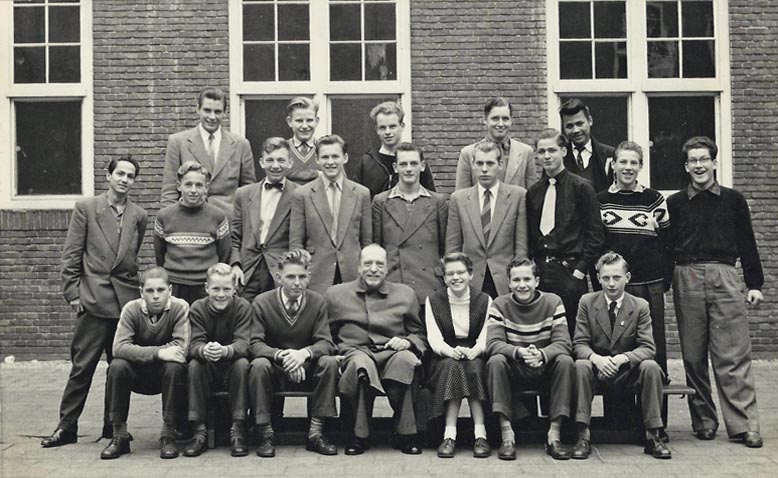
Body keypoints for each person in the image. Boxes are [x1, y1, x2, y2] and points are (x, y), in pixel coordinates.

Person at [42, 155, 147, 448]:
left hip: (124, 303)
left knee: (119, 367)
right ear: (108, 176)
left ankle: (114, 426)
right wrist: (73, 294)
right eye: (120, 174)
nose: (125, 180)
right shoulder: (87, 208)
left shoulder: (139, 215)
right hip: (93, 298)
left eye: (130, 176)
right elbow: (72, 254)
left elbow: (130, 257)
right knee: (82, 366)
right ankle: (67, 426)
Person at [667, 136, 764, 448]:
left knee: (732, 354)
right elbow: (667, 247)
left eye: (704, 159)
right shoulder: (675, 203)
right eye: (693, 160)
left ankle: (744, 425)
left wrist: (755, 284)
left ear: (713, 162)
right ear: (686, 166)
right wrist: (665, 282)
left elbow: (747, 242)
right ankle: (704, 421)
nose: (699, 165)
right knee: (693, 356)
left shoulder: (734, 200)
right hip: (687, 276)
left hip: (725, 275)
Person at [325, 244, 427, 455]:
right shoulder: (336, 294)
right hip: (355, 350)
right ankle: (358, 435)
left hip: (392, 352)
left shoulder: (405, 294)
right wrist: (335, 353)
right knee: (360, 366)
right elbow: (326, 333)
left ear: (387, 268)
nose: (373, 269)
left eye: (379, 264)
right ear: (358, 267)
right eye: (368, 264)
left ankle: (405, 433)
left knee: (406, 362)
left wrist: (407, 342)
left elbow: (419, 333)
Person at [572, 252, 671, 460]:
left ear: (627, 278)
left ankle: (653, 435)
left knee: (651, 367)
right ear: (598, 278)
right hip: (597, 370)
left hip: (627, 371)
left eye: (616, 277)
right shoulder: (587, 302)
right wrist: (597, 359)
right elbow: (579, 343)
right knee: (581, 365)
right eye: (606, 278)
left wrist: (622, 359)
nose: (611, 284)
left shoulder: (640, 306)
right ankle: (583, 434)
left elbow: (648, 347)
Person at [249, 249, 339, 457]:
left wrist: (303, 354)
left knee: (329, 362)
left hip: (307, 368)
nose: (297, 283)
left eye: (302, 276)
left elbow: (326, 342)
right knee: (258, 365)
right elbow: (254, 344)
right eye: (290, 277)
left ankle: (316, 433)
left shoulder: (317, 301)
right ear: (278, 277)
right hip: (276, 369)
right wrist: (283, 356)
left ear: (309, 277)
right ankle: (265, 434)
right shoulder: (262, 302)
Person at [486, 258, 574, 461]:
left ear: (537, 281)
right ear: (509, 283)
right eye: (516, 280)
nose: (522, 285)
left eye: (527, 279)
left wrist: (542, 354)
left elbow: (564, 342)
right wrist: (520, 352)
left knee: (565, 361)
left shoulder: (553, 302)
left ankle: (554, 435)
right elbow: (493, 343)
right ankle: (507, 435)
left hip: (545, 368)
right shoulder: (499, 304)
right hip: (515, 369)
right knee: (495, 361)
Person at [598, 141, 672, 378]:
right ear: (614, 165)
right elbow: (596, 243)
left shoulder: (654, 199)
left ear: (640, 166)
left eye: (633, 162)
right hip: (616, 284)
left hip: (649, 283)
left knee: (651, 341)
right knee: (617, 340)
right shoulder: (601, 200)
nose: (628, 167)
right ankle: (619, 398)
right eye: (623, 162)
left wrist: (664, 281)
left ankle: (656, 395)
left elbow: (667, 242)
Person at [100, 267, 190, 460]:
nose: (155, 296)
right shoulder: (131, 309)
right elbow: (119, 347)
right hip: (138, 374)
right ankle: (119, 434)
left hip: (165, 375)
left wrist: (144, 353)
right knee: (117, 366)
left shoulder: (180, 307)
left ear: (170, 290)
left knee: (175, 366)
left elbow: (181, 348)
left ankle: (168, 434)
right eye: (150, 291)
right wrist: (159, 353)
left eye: (161, 290)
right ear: (141, 292)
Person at [527, 128, 605, 338]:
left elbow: (595, 235)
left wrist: (580, 270)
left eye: (552, 150)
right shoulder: (534, 192)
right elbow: (530, 235)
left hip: (569, 272)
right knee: (542, 332)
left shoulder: (582, 188)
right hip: (541, 272)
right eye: (541, 151)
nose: (547, 156)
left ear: (563, 151)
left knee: (571, 332)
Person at [424, 253, 491, 459]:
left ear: (470, 274)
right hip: (443, 356)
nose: (456, 277)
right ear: (444, 277)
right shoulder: (434, 300)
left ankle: (480, 435)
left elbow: (486, 335)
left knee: (474, 367)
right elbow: (434, 338)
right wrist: (450, 351)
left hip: (475, 353)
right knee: (454, 367)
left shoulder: (484, 300)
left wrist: (474, 351)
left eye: (460, 272)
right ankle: (449, 436)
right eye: (450, 274)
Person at [182, 263, 252, 458]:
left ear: (235, 289)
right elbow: (193, 344)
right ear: (206, 288)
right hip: (208, 365)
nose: (221, 294)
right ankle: (199, 431)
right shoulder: (197, 308)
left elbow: (244, 344)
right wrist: (204, 350)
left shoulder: (242, 307)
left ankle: (238, 429)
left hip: (232, 365)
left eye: (226, 289)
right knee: (194, 365)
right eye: (216, 289)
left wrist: (225, 351)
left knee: (242, 364)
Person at [289, 135, 372, 294]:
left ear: (345, 158)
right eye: (325, 157)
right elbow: (296, 243)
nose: (330, 162)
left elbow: (366, 242)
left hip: (352, 274)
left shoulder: (361, 193)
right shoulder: (302, 194)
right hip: (316, 275)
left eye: (335, 156)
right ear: (317, 159)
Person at [372, 142, 448, 312]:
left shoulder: (438, 202)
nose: (408, 169)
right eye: (403, 164)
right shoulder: (381, 202)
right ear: (395, 167)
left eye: (413, 163)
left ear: (422, 166)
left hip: (429, 284)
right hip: (394, 283)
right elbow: (376, 246)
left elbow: (445, 247)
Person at [446, 141, 528, 298]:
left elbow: (521, 248)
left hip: (505, 282)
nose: (484, 169)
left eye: (490, 163)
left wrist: (518, 280)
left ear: (500, 165)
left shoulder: (518, 196)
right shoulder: (459, 199)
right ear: (473, 165)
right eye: (479, 163)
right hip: (470, 281)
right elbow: (453, 247)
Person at [161, 86, 255, 217]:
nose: (212, 117)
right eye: (207, 110)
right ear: (198, 109)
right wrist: (171, 223)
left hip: (228, 222)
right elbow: (169, 192)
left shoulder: (241, 145)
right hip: (190, 220)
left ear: (224, 113)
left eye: (217, 111)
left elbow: (248, 193)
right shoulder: (178, 142)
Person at [230, 137, 299, 302]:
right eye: (270, 160)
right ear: (261, 162)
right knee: (245, 313)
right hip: (248, 271)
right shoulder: (243, 194)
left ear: (290, 162)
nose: (275, 166)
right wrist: (236, 264)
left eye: (281, 160)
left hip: (279, 271)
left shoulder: (299, 194)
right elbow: (235, 235)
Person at [154, 161, 231, 305]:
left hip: (206, 287)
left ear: (206, 188)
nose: (193, 190)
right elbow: (160, 254)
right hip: (175, 286)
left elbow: (224, 254)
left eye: (199, 185)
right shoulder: (164, 216)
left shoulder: (218, 216)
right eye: (188, 184)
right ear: (179, 186)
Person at [350, 102, 436, 197]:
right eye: (383, 127)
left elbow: (430, 197)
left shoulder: (415, 160)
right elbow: (357, 198)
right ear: (377, 129)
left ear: (402, 126)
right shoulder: (367, 162)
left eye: (392, 127)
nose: (388, 132)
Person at [455, 97, 537, 191]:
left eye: (505, 119)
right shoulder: (468, 154)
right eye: (495, 118)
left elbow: (532, 194)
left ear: (511, 121)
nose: (501, 124)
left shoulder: (526, 152)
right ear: (485, 120)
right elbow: (462, 195)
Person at [559, 98, 615, 193]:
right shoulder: (559, 156)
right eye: (569, 126)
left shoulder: (610, 155)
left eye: (579, 124)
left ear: (590, 121)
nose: (575, 130)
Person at [284, 96, 321, 185]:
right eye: (299, 121)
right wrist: (317, 174)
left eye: (309, 120)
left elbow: (340, 180)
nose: (304, 126)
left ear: (316, 121)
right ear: (289, 121)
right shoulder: (281, 149)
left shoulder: (325, 149)